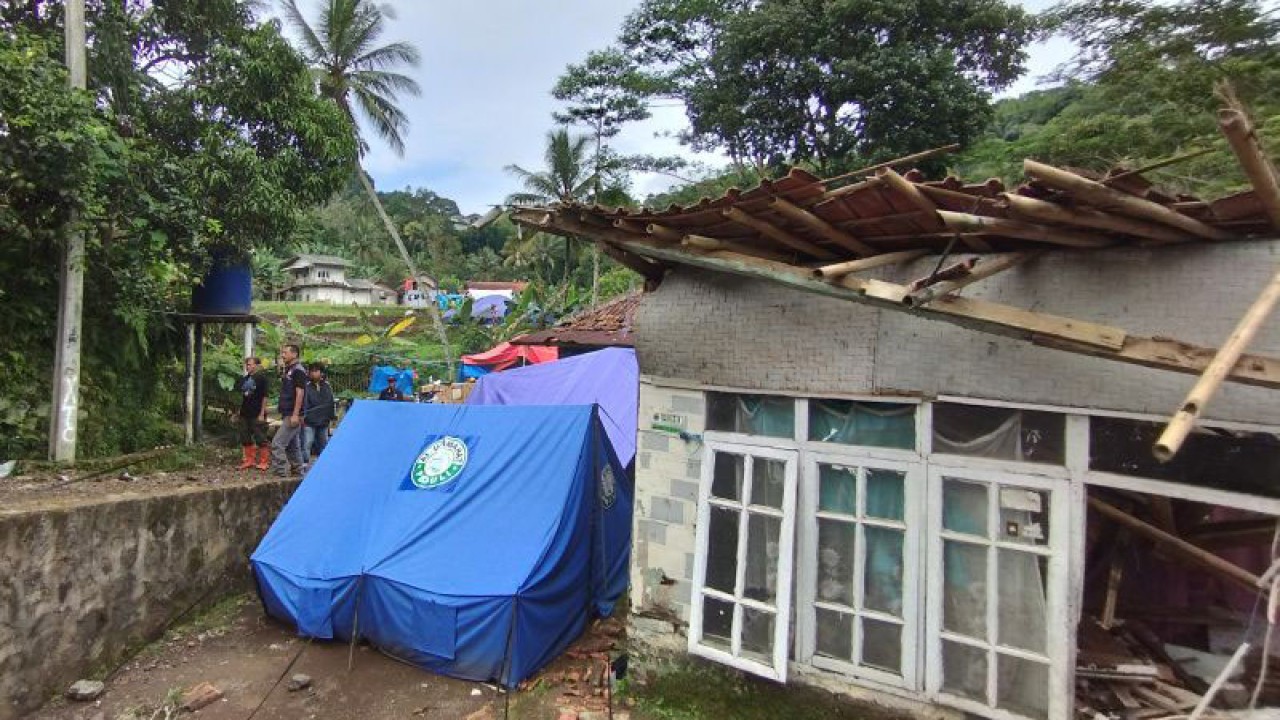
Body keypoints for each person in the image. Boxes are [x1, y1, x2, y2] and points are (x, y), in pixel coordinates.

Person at [269, 343, 308, 476]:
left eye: (285, 353)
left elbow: (300, 393)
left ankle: (280, 472)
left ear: (294, 354)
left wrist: (296, 414)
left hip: (293, 413)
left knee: (277, 443)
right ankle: (298, 471)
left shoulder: (298, 370)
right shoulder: (290, 369)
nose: (282, 355)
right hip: (288, 412)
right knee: (292, 445)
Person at [236, 357, 270, 470]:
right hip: (245, 412)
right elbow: (242, 395)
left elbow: (265, 396)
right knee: (245, 437)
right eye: (247, 364)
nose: (248, 366)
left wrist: (262, 413)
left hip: (257, 412)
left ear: (257, 365)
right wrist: (238, 411)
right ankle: (249, 460)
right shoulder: (245, 379)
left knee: (260, 437)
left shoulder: (262, 378)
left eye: (250, 364)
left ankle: (264, 461)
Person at [301, 364, 336, 465]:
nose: (314, 373)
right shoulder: (306, 386)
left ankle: (325, 463)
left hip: (324, 420)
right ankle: (305, 463)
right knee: (307, 442)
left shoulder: (327, 385)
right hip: (309, 420)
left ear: (321, 372)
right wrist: (304, 416)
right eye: (312, 371)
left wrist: (332, 416)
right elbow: (304, 403)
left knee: (324, 443)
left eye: (316, 371)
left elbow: (331, 401)